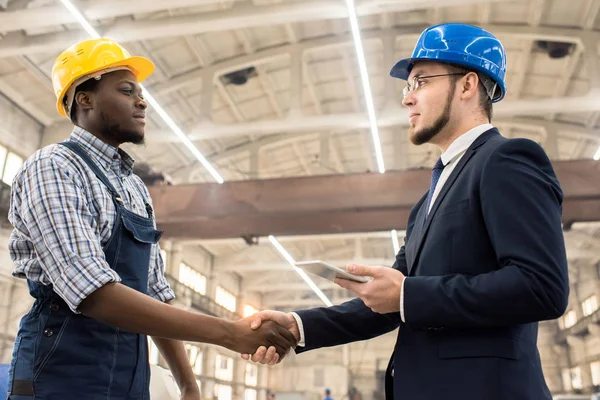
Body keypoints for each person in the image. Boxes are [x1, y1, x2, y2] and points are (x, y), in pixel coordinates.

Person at [243, 23, 569, 399]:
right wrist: (298, 327)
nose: (407, 99)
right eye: (407, 87)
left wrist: (408, 296)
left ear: (467, 85)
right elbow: (389, 302)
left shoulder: (507, 159)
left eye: (421, 82)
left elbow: (542, 286)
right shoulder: (425, 204)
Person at [5, 38, 296, 400]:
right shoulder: (53, 167)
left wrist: (189, 385)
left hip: (129, 377)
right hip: (61, 374)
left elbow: (156, 294)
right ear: (85, 99)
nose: (142, 102)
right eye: (127, 91)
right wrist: (230, 333)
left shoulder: (135, 188)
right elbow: (92, 292)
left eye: (141, 93)